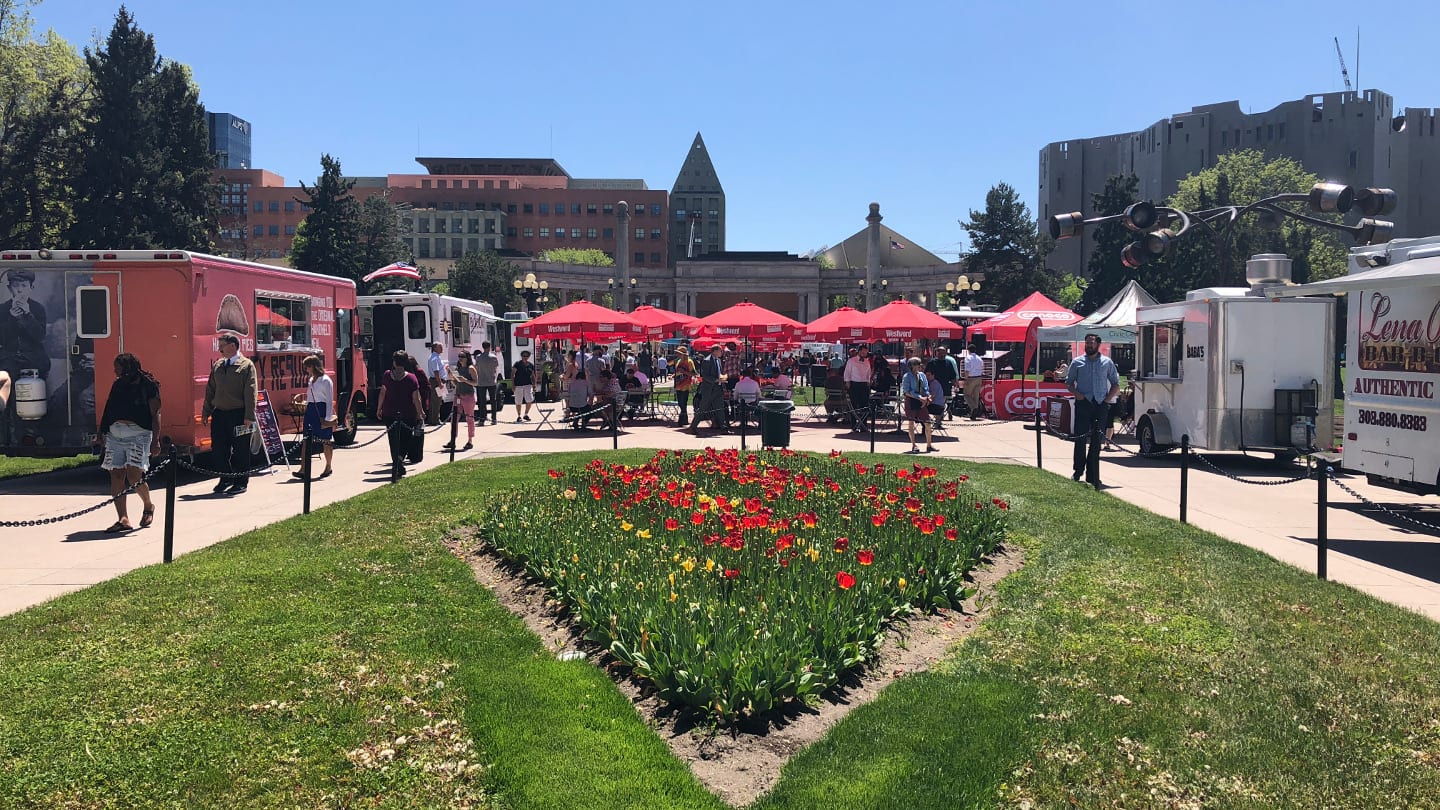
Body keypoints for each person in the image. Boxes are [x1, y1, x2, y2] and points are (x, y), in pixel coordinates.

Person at [98, 353, 161, 532]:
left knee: (134, 476)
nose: (114, 370)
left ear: (127, 367)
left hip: (138, 434)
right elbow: (109, 408)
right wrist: (101, 432)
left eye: (117, 366)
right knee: (116, 474)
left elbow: (155, 413)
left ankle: (148, 505)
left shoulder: (148, 385)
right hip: (114, 435)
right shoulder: (117, 385)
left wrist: (155, 440)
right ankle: (123, 518)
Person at [202, 335, 257, 495]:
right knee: (218, 449)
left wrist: (249, 416)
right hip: (220, 414)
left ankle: (241, 482)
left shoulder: (246, 366)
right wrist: (206, 411)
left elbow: (251, 391)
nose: (220, 349)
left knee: (241, 449)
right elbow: (210, 389)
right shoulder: (218, 365)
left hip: (239, 414)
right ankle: (225, 478)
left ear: (233, 346)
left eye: (223, 346)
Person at [1, 268, 50, 445]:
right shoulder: (3, 309)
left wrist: (27, 315)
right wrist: (12, 319)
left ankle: (34, 432)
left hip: (34, 361)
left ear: (31, 287)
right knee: (10, 398)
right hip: (10, 362)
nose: (20, 290)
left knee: (36, 394)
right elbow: (2, 338)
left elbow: (40, 336)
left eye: (24, 285)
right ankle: (11, 436)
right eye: (16, 286)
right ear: (9, 288)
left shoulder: (37, 309)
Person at [1065, 333, 1121, 489]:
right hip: (1083, 404)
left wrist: (1107, 400)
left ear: (1098, 344)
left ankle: (1093, 475)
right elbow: (1068, 383)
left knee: (1096, 441)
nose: (1089, 345)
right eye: (1087, 342)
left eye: (1091, 342)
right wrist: (1078, 395)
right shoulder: (1077, 362)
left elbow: (1116, 383)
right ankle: (1077, 471)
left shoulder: (1106, 362)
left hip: (1100, 405)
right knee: (1080, 439)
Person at [378, 350, 425, 478]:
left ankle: (396, 462)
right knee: (406, 439)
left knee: (393, 440)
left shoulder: (387, 375)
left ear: (394, 362)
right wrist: (420, 413)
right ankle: (398, 460)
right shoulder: (411, 378)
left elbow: (383, 393)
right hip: (407, 413)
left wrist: (379, 409)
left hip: (389, 412)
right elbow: (416, 398)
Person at [293, 355, 335, 479]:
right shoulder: (311, 380)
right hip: (311, 410)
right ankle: (303, 469)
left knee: (326, 440)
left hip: (322, 410)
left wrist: (327, 419)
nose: (306, 369)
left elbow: (329, 400)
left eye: (307, 366)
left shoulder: (326, 380)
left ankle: (328, 466)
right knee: (306, 439)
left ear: (313, 366)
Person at [688, 344, 727, 434]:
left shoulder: (719, 360)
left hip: (718, 388)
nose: (722, 352)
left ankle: (723, 428)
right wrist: (716, 379)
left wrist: (722, 378)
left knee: (720, 408)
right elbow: (704, 376)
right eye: (720, 350)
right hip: (708, 389)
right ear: (715, 351)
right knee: (703, 408)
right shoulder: (707, 361)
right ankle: (693, 426)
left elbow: (718, 373)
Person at [444, 351, 478, 451]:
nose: (460, 358)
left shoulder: (471, 368)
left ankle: (470, 440)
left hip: (468, 396)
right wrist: (451, 377)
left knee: (469, 419)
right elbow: (456, 384)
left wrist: (465, 380)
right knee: (454, 419)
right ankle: (453, 440)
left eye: (462, 356)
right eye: (459, 356)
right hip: (458, 396)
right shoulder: (458, 369)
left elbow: (476, 383)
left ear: (467, 357)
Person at [900, 358, 935, 453]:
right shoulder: (907, 376)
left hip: (922, 401)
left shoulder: (922, 375)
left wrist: (928, 396)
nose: (919, 366)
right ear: (912, 366)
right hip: (911, 401)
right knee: (911, 423)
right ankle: (914, 445)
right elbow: (906, 392)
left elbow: (925, 388)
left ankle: (929, 445)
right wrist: (919, 397)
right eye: (917, 364)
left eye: (920, 364)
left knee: (928, 422)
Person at [843, 344, 873, 431]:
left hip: (864, 385)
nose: (864, 354)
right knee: (854, 406)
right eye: (863, 352)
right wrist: (847, 382)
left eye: (866, 352)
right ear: (859, 352)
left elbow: (869, 372)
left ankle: (864, 425)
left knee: (864, 405)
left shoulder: (867, 361)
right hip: (854, 384)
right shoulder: (851, 361)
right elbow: (847, 372)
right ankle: (854, 426)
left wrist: (868, 382)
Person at [473, 342, 501, 426]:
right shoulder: (493, 357)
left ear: (482, 347)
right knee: (493, 400)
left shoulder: (478, 357)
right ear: (489, 347)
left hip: (481, 381)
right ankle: (494, 419)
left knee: (482, 402)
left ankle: (482, 419)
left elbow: (476, 367)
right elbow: (496, 367)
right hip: (491, 381)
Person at [425, 342, 449, 426]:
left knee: (436, 401)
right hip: (437, 381)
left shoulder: (436, 357)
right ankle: (435, 420)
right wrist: (440, 383)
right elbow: (436, 371)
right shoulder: (434, 358)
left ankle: (432, 419)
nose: (442, 349)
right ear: (435, 348)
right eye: (440, 347)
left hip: (437, 380)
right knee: (436, 401)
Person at [671, 345, 696, 425]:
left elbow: (693, 373)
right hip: (678, 385)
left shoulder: (689, 362)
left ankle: (682, 420)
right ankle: (683, 420)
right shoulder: (678, 361)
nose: (677, 355)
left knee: (683, 403)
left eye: (679, 353)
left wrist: (684, 372)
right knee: (680, 403)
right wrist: (672, 376)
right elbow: (677, 372)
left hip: (686, 385)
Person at [962, 343, 985, 420]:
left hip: (971, 378)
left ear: (968, 350)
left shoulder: (968, 358)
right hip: (979, 377)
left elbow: (967, 370)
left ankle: (974, 408)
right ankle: (974, 413)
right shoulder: (979, 358)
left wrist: (965, 379)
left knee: (966, 394)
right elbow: (982, 369)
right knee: (976, 396)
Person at [512, 349, 536, 422]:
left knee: (529, 400)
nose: (525, 357)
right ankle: (519, 416)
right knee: (518, 401)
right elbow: (512, 374)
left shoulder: (531, 365)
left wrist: (534, 385)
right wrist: (513, 384)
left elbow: (533, 375)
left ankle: (526, 414)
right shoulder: (517, 364)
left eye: (526, 356)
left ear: (528, 357)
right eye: (523, 356)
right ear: (521, 356)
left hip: (528, 385)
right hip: (518, 385)